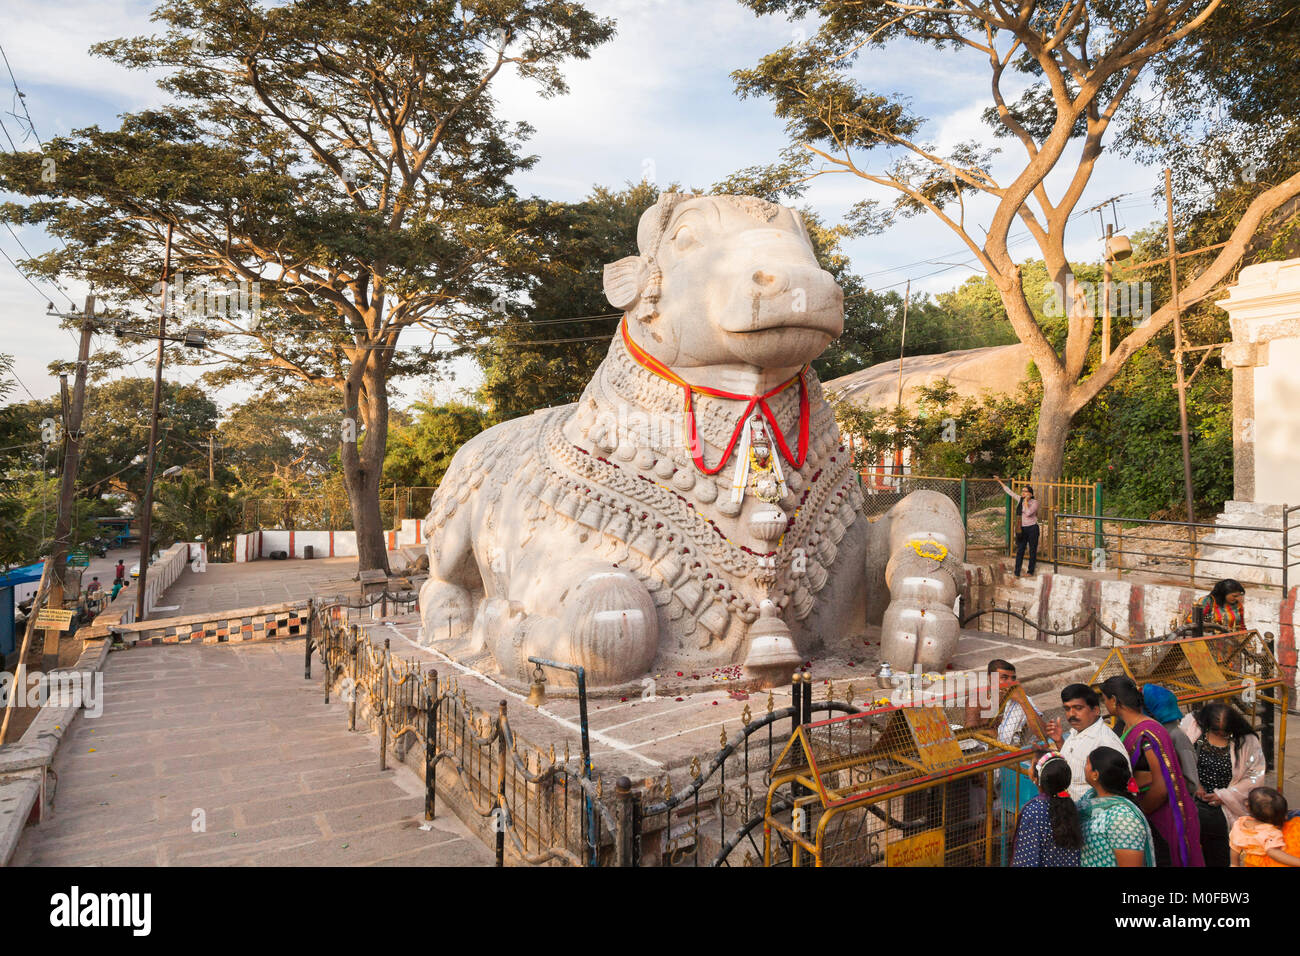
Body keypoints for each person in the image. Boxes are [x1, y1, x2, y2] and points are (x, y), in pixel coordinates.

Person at [1100, 675, 1204, 867]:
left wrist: (1139, 811)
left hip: (1158, 819)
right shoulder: (1127, 727)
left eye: (1105, 699)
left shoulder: (1149, 732)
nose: (1105, 705)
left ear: (1114, 700)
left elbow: (1162, 785)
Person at [1180, 701, 1266, 867]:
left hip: (1226, 808)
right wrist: (1194, 783)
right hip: (1193, 798)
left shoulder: (1247, 741)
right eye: (1215, 731)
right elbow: (1181, 759)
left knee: (1218, 849)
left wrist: (1224, 796)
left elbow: (1255, 776)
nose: (1220, 735)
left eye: (1225, 733)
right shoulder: (1192, 729)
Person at [1045, 683, 1127, 801]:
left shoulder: (1105, 742)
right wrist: (1059, 742)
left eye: (1078, 708)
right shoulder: (1075, 733)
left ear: (1096, 710)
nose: (1071, 714)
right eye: (1067, 709)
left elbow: (1119, 791)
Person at [1077, 747, 1156, 867]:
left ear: (1095, 774)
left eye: (1087, 763)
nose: (1084, 767)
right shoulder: (1088, 799)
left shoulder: (1122, 818)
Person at [1011, 753, 1083, 866]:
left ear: (1037, 779)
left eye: (1031, 765)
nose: (1029, 768)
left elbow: (1026, 860)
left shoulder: (1034, 811)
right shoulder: (1071, 805)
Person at [1229, 787, 1300, 867]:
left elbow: (1234, 847)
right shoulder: (1271, 832)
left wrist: (1234, 864)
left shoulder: (1239, 824)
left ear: (1248, 807)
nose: (1286, 817)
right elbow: (1273, 852)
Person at [994, 475, 1039, 577]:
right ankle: (1017, 572)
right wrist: (999, 480)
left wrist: (1026, 502)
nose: (1023, 493)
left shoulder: (1035, 503)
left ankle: (1030, 571)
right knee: (1020, 550)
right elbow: (1009, 491)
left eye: (1026, 491)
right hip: (1021, 529)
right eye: (1022, 491)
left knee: (1032, 550)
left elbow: (1028, 513)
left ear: (1030, 494)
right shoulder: (1020, 499)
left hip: (1032, 528)